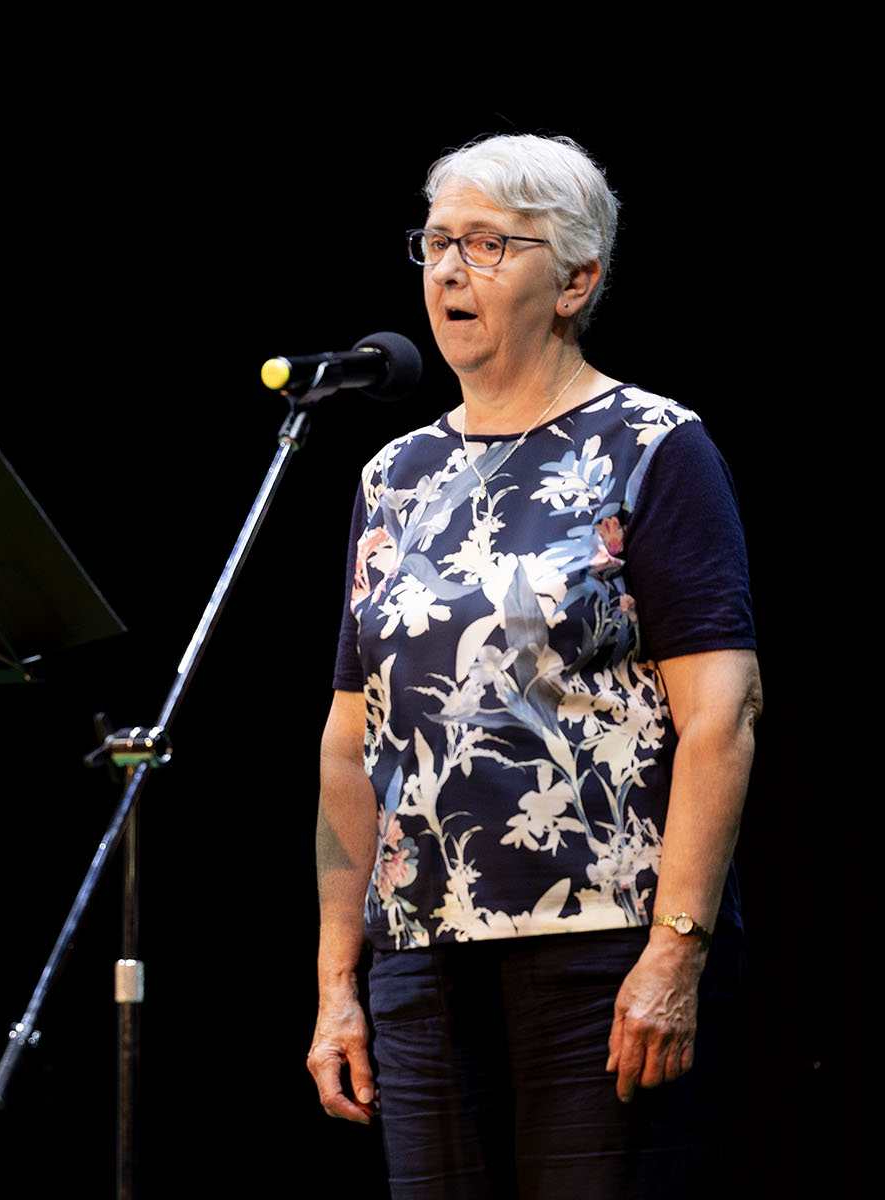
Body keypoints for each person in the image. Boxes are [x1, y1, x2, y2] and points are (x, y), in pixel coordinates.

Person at [305, 134, 761, 1197]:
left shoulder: (653, 446)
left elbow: (722, 717)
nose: (450, 269)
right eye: (435, 242)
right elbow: (351, 736)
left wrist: (676, 950)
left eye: (488, 244)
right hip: (421, 957)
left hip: (605, 950)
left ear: (578, 281)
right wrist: (340, 978)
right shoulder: (394, 477)